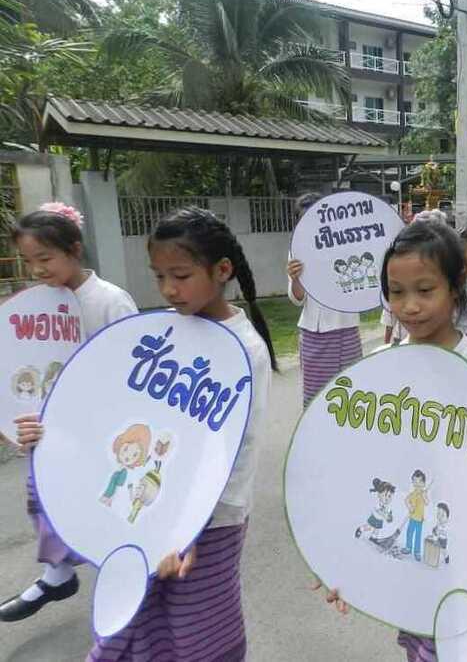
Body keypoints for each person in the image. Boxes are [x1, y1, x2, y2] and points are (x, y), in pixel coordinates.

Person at [15, 207, 274, 659]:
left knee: (197, 627)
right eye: (159, 277)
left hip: (210, 523)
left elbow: (233, 454)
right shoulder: (162, 330)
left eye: (181, 275)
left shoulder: (245, 349)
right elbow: (116, 409)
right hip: (141, 506)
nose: (169, 289)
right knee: (135, 613)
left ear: (222, 270)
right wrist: (50, 428)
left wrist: (190, 528)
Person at [316, 220, 467, 662]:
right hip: (405, 532)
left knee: (449, 635)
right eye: (396, 292)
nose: (409, 306)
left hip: (463, 537)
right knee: (415, 626)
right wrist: (340, 556)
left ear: (456, 287)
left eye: (425, 290)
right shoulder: (380, 367)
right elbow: (354, 466)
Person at [1, 204, 138, 624]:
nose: (37, 269)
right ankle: (58, 574)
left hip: (100, 432)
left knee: (105, 505)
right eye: (29, 261)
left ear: (74, 249)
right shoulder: (36, 305)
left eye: (45, 258)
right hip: (49, 431)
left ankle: (127, 581)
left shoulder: (109, 300)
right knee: (42, 499)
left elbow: (133, 367)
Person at [286, 199, 362, 408]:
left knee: (349, 396)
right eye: (304, 220)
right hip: (313, 336)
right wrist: (295, 279)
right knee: (315, 399)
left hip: (346, 330)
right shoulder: (297, 251)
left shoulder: (346, 246)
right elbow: (297, 299)